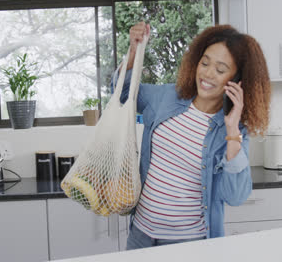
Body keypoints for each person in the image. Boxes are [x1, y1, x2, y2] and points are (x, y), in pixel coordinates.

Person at [111, 22, 271, 250]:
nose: (207, 73)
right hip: (140, 235)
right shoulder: (167, 97)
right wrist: (133, 54)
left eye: (220, 69)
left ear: (236, 81)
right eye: (204, 63)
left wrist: (233, 128)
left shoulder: (233, 132)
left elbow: (235, 197)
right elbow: (122, 94)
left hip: (189, 244)